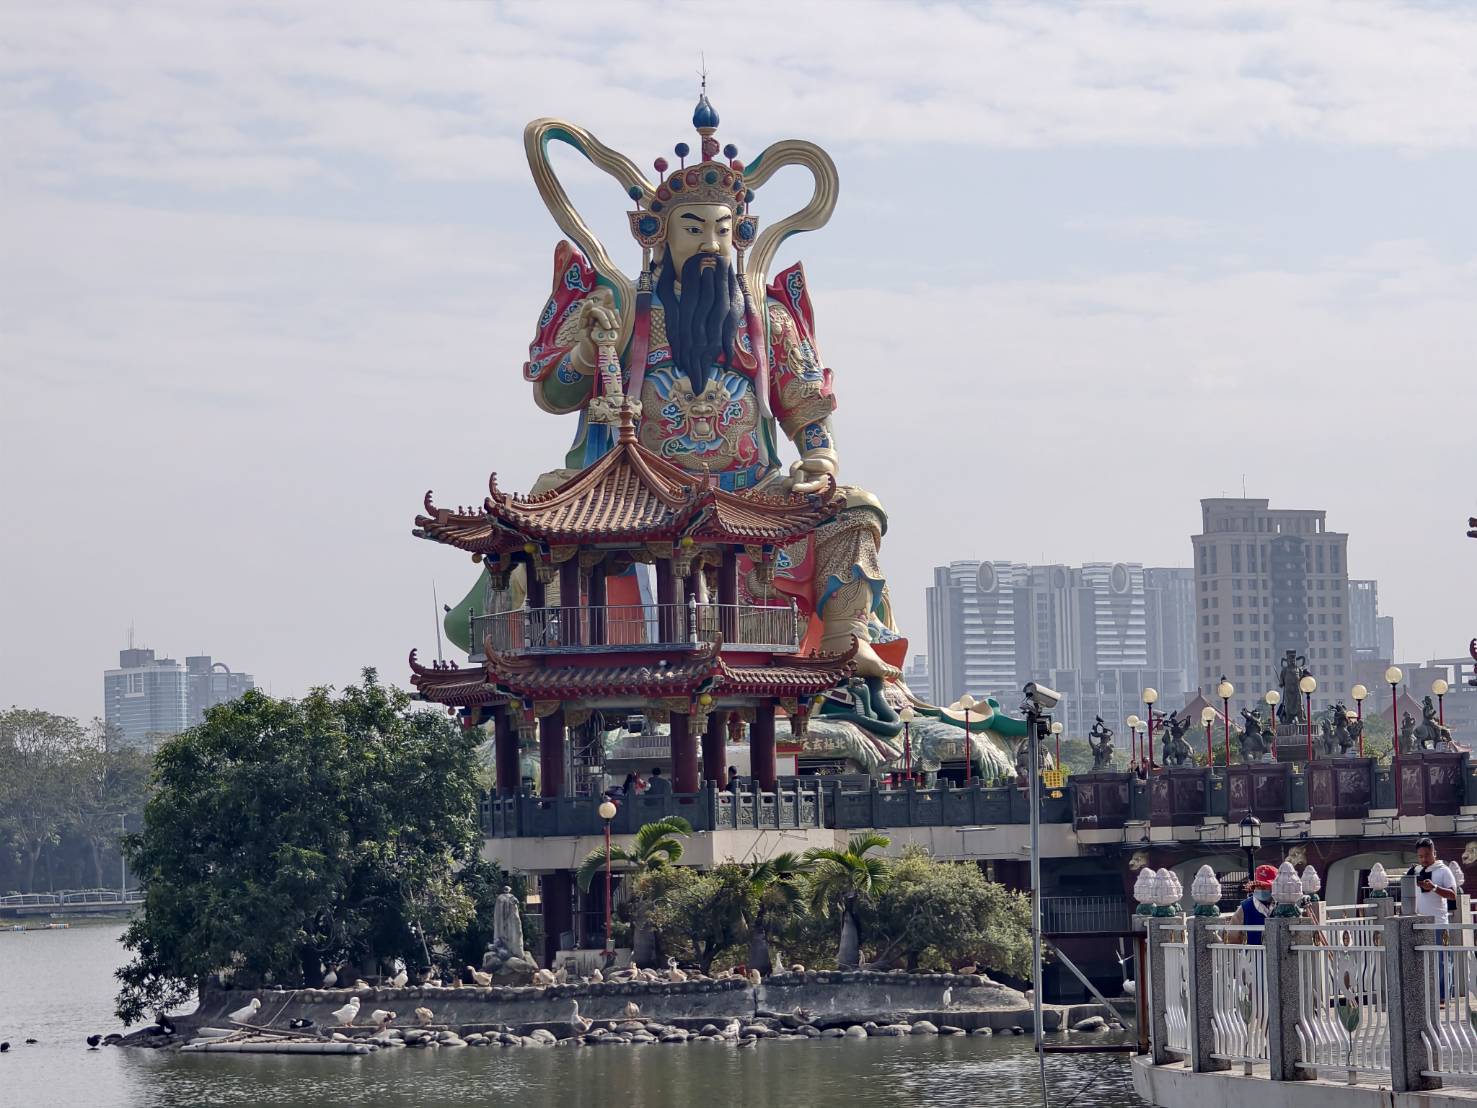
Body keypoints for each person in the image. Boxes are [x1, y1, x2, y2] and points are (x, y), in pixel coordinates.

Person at [1410, 838, 1458, 997]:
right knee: (1421, 961)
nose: (1424, 859)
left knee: (1442, 961)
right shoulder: (1415, 871)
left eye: (1427, 855)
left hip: (1439, 923)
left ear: (1434, 853)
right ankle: (1424, 996)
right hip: (1419, 924)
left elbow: (1452, 895)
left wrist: (1434, 888)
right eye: (1420, 856)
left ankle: (1444, 996)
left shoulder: (1443, 870)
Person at [1223, 864, 1279, 945]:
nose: (1261, 889)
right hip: (1252, 956)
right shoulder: (1244, 908)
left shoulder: (1281, 905)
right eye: (1259, 885)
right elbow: (1233, 938)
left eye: (1265, 886)